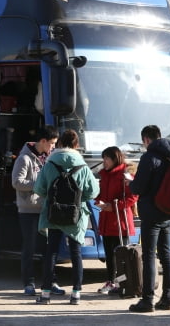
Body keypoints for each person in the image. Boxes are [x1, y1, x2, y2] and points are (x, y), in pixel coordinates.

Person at [33, 129, 99, 305]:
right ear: (76, 145)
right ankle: (76, 294)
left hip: (54, 213)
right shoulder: (83, 165)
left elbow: (39, 188)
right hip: (75, 215)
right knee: (76, 253)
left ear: (60, 143)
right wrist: (79, 200)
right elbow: (93, 191)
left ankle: (46, 294)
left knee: (51, 252)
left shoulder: (50, 163)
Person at [128, 125, 170, 313]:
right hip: (169, 211)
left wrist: (130, 183)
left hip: (151, 212)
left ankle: (147, 300)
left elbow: (139, 187)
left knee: (149, 254)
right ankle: (167, 298)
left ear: (146, 139)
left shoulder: (149, 157)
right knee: (166, 255)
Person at [11, 125, 66, 296]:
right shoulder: (24, 159)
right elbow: (16, 182)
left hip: (46, 210)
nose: (53, 147)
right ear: (42, 141)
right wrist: (40, 186)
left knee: (48, 249)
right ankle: (28, 283)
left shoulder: (49, 158)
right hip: (28, 210)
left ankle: (51, 282)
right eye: (51, 143)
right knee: (29, 247)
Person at [94, 146, 138, 294]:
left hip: (120, 221)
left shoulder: (126, 173)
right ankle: (111, 281)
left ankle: (123, 283)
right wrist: (99, 201)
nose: (104, 162)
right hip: (107, 220)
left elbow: (132, 197)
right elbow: (100, 194)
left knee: (121, 254)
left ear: (115, 159)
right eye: (103, 158)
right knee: (109, 255)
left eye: (107, 158)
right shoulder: (104, 175)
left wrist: (113, 206)